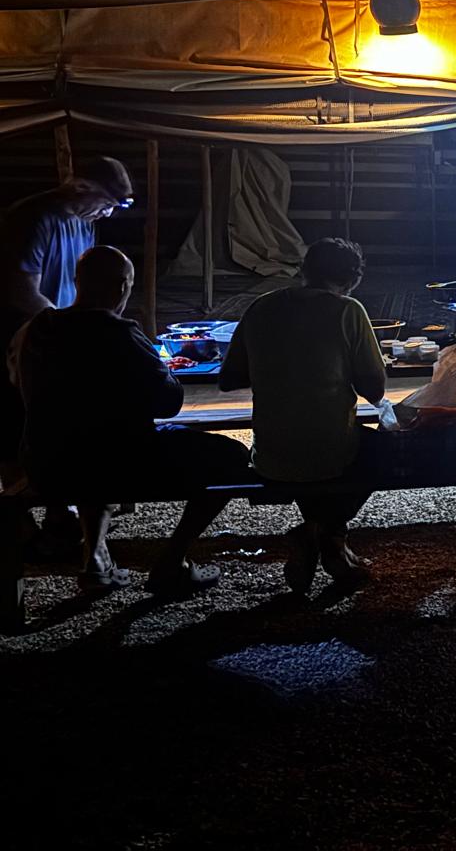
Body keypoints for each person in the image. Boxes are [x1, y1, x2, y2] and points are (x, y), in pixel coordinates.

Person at [14, 246, 244, 594]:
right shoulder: (119, 332)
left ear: (77, 282)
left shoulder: (40, 328)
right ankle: (173, 561)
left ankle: (96, 559)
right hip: (120, 463)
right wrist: (164, 369)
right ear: (123, 286)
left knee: (90, 439)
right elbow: (169, 403)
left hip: (46, 464)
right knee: (233, 458)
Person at [220, 238, 387, 592]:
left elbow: (229, 378)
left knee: (307, 441)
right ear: (352, 279)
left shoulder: (261, 307)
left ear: (303, 269)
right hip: (329, 452)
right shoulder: (347, 311)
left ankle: (327, 540)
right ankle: (325, 534)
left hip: (271, 454)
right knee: (382, 451)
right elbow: (374, 389)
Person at [0, 155, 134, 556]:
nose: (107, 213)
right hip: (19, 337)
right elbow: (21, 288)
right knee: (15, 428)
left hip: (56, 337)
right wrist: (64, 324)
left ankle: (59, 515)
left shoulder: (84, 223)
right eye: (106, 203)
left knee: (54, 426)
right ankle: (20, 528)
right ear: (81, 187)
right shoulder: (33, 218)